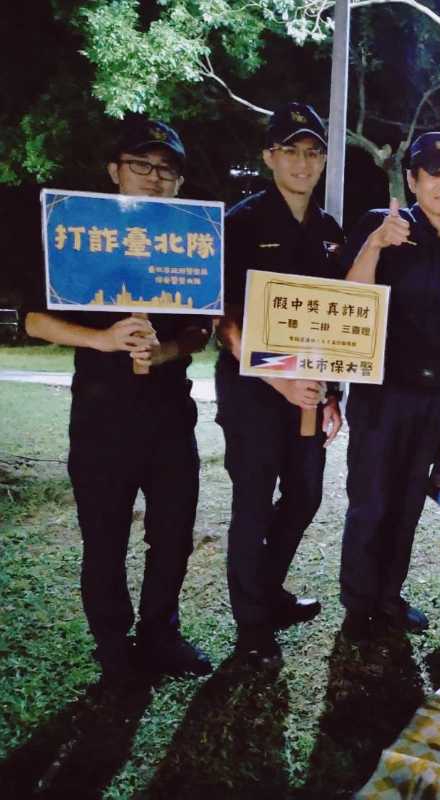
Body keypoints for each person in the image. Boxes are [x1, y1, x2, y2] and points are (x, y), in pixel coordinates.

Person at [24, 117, 212, 687]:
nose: (155, 180)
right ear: (115, 171)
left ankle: (161, 633)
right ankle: (113, 645)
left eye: (167, 170)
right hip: (103, 416)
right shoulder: (80, 236)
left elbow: (203, 326)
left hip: (170, 416)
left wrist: (170, 351)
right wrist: (103, 339)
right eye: (142, 166)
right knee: (105, 536)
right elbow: (35, 320)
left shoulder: (193, 241)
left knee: (174, 530)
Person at [215, 102, 344, 666]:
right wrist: (281, 378)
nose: (302, 161)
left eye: (313, 151)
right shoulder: (239, 223)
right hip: (253, 394)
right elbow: (223, 323)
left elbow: (341, 324)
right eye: (290, 150)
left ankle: (266, 590)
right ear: (269, 156)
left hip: (309, 399)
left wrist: (333, 393)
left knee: (307, 495)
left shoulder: (329, 233)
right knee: (251, 503)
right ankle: (252, 628)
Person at [339, 132, 440, 640]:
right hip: (380, 392)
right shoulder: (384, 226)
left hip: (433, 397)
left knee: (406, 504)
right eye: (432, 174)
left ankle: (388, 597)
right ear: (413, 181)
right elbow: (349, 298)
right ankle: (358, 605)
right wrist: (376, 243)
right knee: (370, 499)